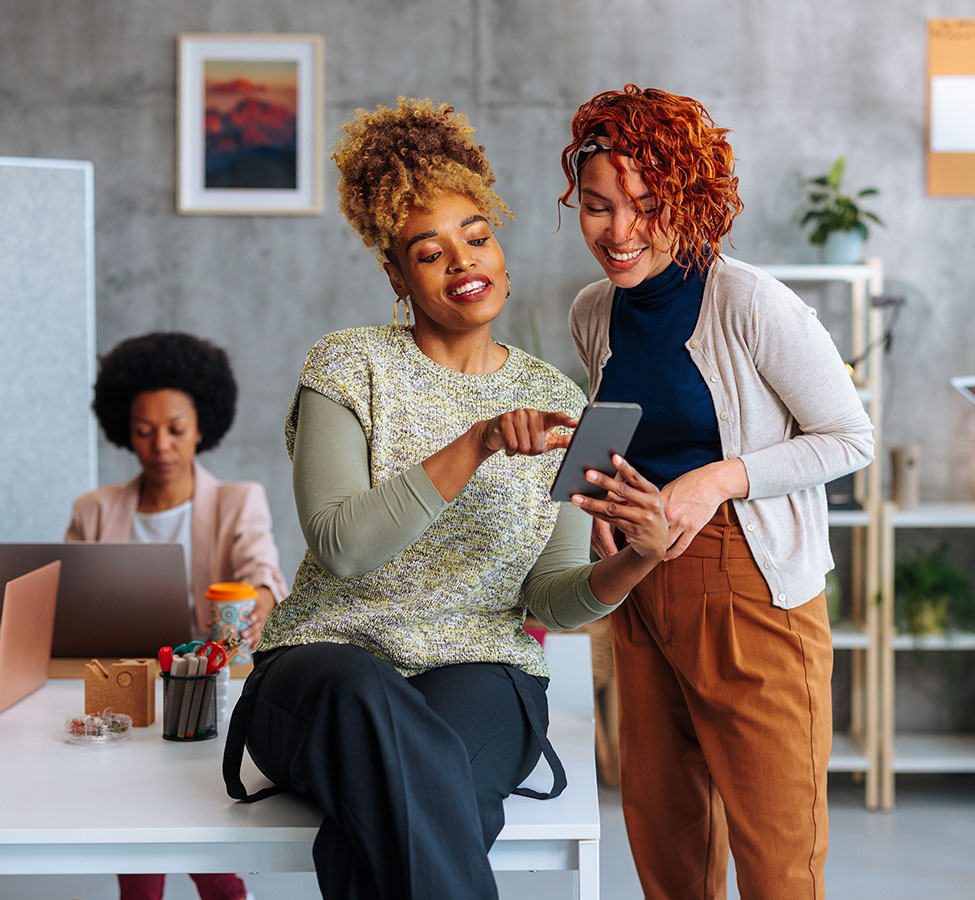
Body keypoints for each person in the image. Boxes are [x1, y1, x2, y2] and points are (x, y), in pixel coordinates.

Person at [223, 97, 669, 900]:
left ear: (500, 249)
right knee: (372, 711)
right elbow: (342, 548)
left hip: (481, 669)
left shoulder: (558, 397)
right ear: (397, 276)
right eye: (429, 253)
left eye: (477, 237)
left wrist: (639, 558)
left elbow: (553, 597)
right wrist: (477, 442)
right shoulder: (348, 366)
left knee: (399, 801)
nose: (464, 262)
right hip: (324, 668)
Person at [558, 85, 875, 900]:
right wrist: (598, 505)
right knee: (669, 850)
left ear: (690, 198)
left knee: (778, 859)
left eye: (646, 206)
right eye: (597, 206)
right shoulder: (593, 312)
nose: (619, 232)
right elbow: (628, 428)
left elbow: (850, 437)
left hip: (752, 590)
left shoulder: (749, 302)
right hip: (641, 585)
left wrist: (719, 478)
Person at [67, 331, 288, 900]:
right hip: (125, 688)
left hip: (204, 688)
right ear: (125, 430)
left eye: (175, 428)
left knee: (198, 822)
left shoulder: (238, 500)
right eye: (144, 431)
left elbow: (263, 572)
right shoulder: (94, 511)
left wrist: (262, 600)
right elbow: (68, 606)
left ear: (201, 427)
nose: (159, 445)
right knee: (133, 825)